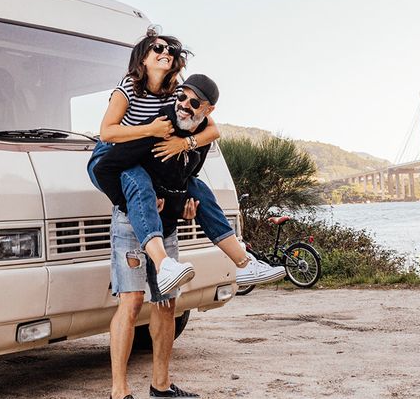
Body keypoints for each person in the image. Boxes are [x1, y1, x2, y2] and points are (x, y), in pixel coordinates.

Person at [86, 31, 283, 297]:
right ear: (142, 58)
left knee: (198, 189)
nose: (165, 52)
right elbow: (108, 132)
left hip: (139, 153)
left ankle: (245, 264)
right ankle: (162, 263)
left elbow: (211, 131)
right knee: (140, 184)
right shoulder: (128, 88)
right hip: (111, 153)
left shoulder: (175, 90)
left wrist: (184, 144)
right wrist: (151, 129)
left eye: (170, 50)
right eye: (157, 48)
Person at [102, 80, 220, 399]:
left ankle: (161, 385)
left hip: (166, 227)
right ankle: (118, 394)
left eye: (193, 101)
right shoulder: (157, 123)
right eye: (180, 96)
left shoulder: (197, 143)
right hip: (129, 223)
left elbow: (182, 185)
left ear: (206, 109)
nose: (184, 104)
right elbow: (109, 167)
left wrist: (185, 207)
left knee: (167, 303)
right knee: (132, 301)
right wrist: (130, 201)